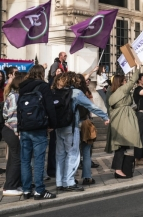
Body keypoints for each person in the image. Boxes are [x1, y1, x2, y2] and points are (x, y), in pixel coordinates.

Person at [52, 72, 109, 191]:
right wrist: (104, 117)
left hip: (58, 127)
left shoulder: (56, 92)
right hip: (71, 127)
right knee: (73, 154)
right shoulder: (76, 93)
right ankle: (69, 182)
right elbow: (91, 106)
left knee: (60, 155)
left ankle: (59, 182)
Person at [18, 64, 58, 200]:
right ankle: (39, 190)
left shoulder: (22, 87)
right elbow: (50, 107)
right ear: (41, 73)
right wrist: (52, 124)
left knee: (25, 160)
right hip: (39, 127)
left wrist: (20, 126)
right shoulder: (43, 86)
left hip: (25, 128)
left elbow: (19, 109)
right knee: (39, 160)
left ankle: (26, 190)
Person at [106, 68, 142, 178]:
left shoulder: (113, 93)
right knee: (120, 145)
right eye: (124, 80)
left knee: (121, 145)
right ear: (121, 82)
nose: (126, 82)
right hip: (122, 118)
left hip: (117, 118)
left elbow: (110, 108)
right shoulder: (122, 90)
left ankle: (118, 168)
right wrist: (138, 67)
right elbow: (132, 81)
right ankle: (118, 170)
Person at [2, 72, 26, 196]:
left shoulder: (12, 95)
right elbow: (14, 117)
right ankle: (10, 186)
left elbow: (6, 114)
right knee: (17, 158)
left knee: (13, 158)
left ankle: (11, 185)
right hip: (12, 130)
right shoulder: (16, 96)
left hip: (9, 129)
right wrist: (17, 132)